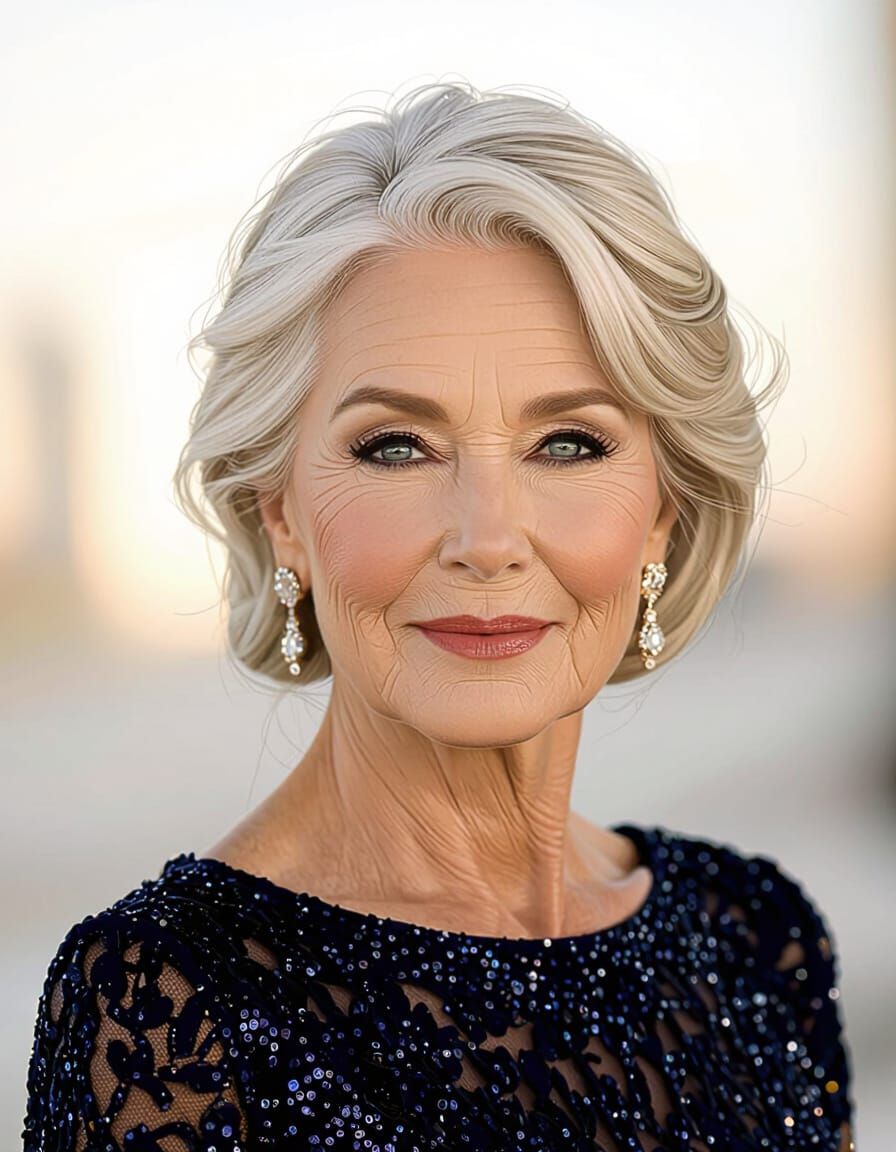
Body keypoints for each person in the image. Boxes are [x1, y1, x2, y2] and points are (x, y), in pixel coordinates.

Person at [22, 80, 854, 1151]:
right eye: (396, 447)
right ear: (281, 512)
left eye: (568, 444)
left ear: (661, 512)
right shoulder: (165, 1009)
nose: (486, 537)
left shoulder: (755, 937)